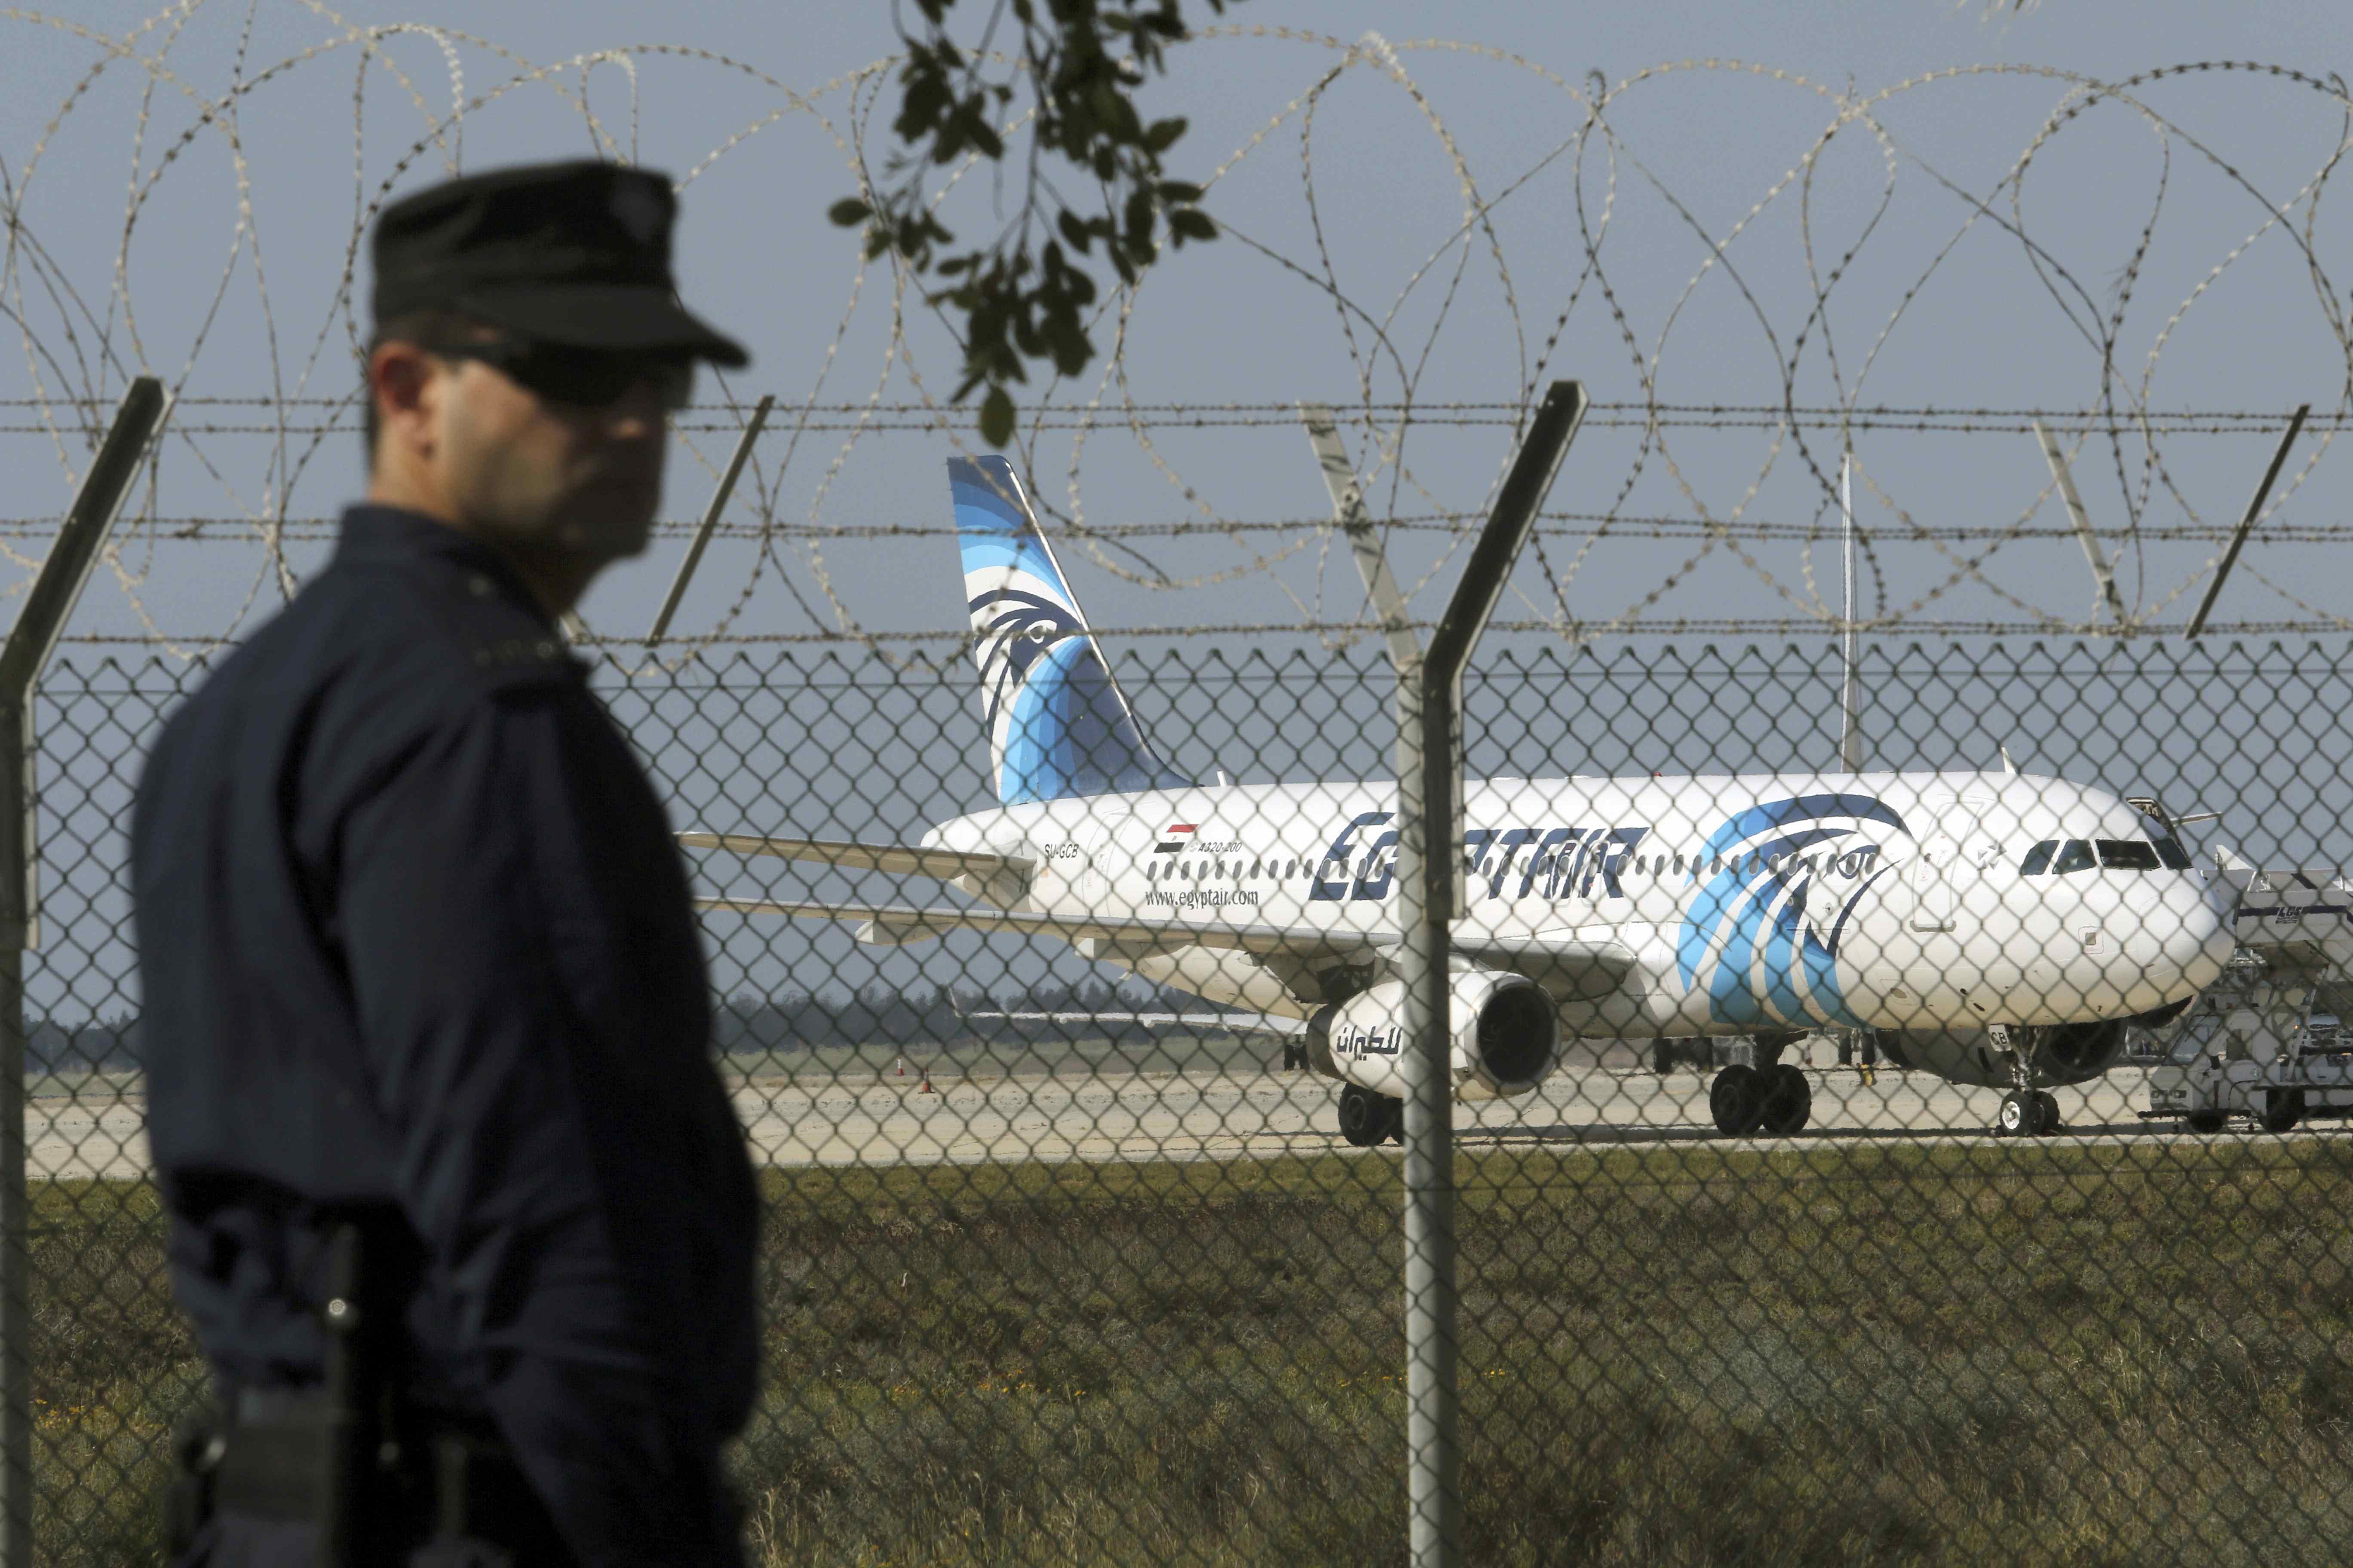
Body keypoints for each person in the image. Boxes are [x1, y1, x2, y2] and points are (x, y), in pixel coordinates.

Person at [132, 160, 762, 1567]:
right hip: (482, 1517)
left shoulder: (243, 710)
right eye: (568, 370)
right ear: (409, 390)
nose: (634, 419)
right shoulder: (478, 722)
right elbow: (554, 1237)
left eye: (659, 377)